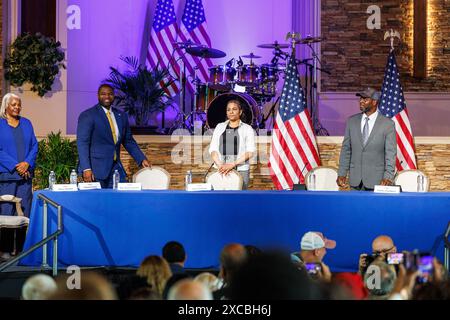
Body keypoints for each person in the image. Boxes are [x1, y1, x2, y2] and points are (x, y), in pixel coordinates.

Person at [76, 84, 150, 188]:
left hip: (116, 167)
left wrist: (141, 159)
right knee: (98, 203)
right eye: (103, 94)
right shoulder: (88, 115)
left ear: (113, 96)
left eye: (110, 94)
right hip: (95, 170)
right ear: (98, 96)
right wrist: (86, 168)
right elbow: (82, 143)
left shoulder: (121, 116)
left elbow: (128, 141)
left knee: (119, 200)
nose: (107, 96)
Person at [337, 87, 396, 190]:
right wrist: (342, 173)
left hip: (378, 182)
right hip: (355, 181)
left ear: (374, 102)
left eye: (365, 99)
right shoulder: (352, 121)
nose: (361, 101)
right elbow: (346, 149)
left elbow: (390, 153)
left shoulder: (387, 124)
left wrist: (388, 176)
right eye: (360, 99)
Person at [0, 93, 38, 217]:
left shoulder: (27, 123)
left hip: (25, 178)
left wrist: (27, 163)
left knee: (24, 215)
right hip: (7, 178)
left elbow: (34, 146)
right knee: (7, 215)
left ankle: (23, 238)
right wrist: (17, 166)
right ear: (6, 106)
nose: (17, 107)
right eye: (14, 105)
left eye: (19, 105)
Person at [209, 100, 256, 189]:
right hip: (220, 169)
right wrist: (220, 165)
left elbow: (250, 151)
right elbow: (213, 148)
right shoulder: (220, 126)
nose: (231, 112)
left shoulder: (247, 128)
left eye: (234, 109)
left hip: (241, 170)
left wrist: (232, 164)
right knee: (220, 199)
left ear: (240, 112)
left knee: (240, 200)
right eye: (228, 109)